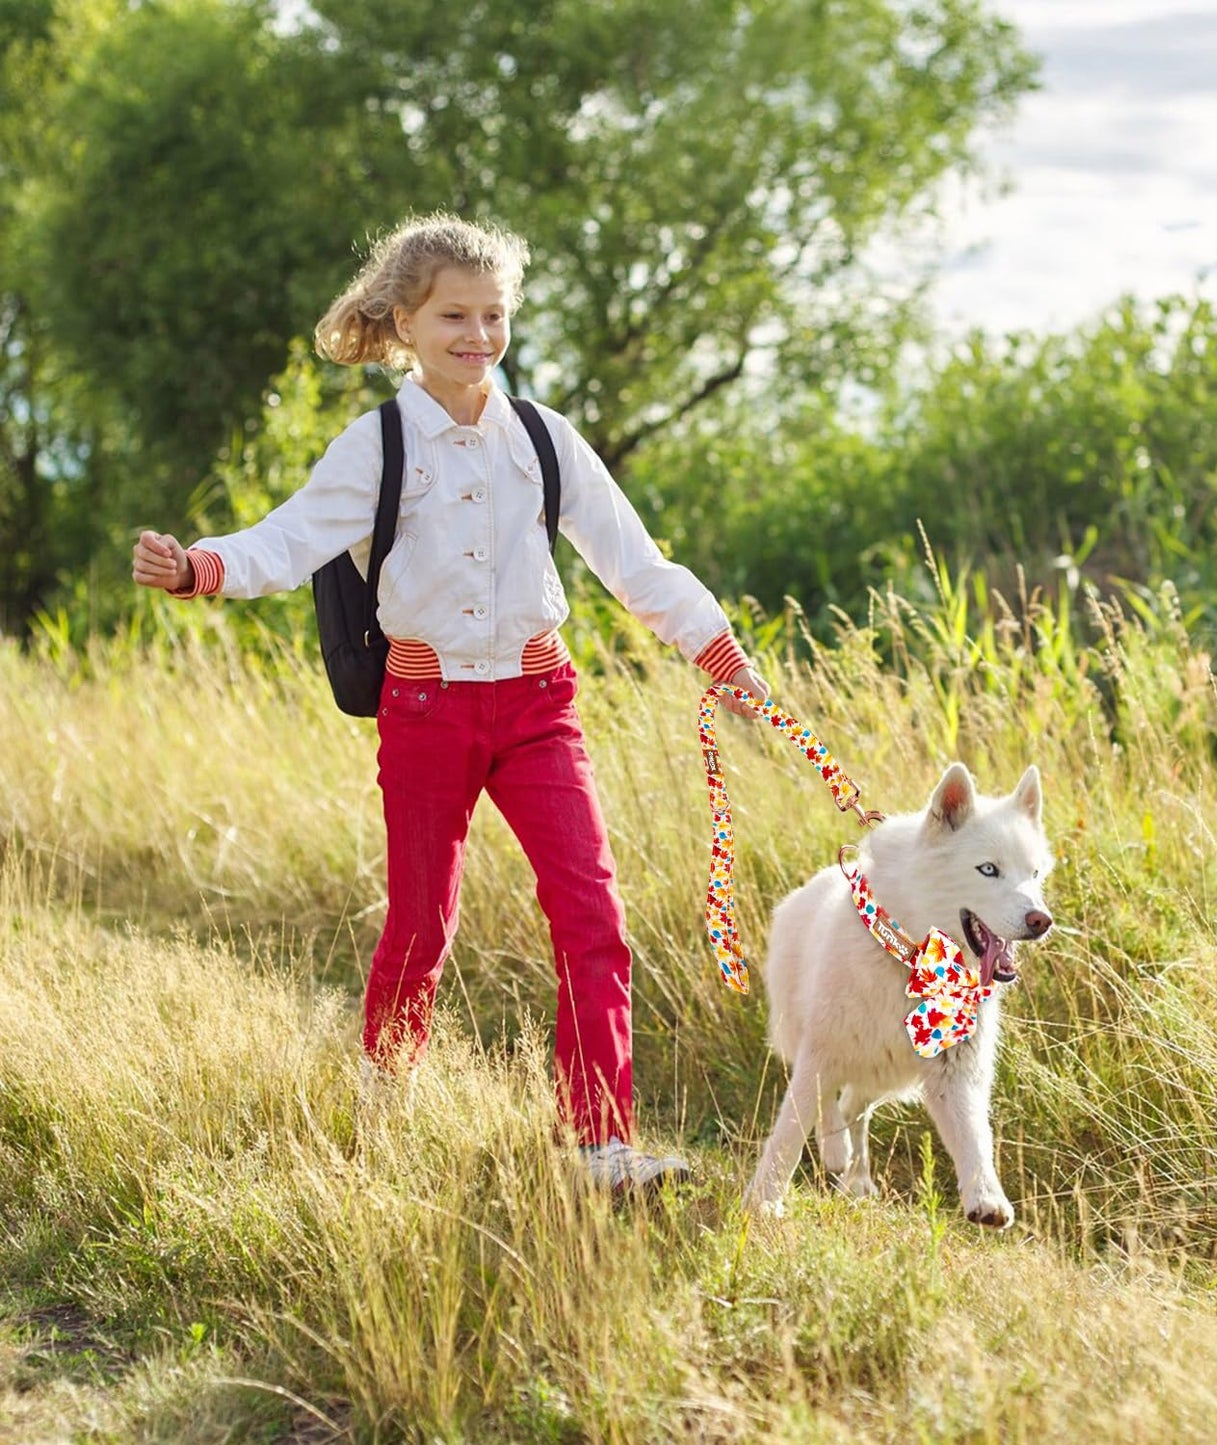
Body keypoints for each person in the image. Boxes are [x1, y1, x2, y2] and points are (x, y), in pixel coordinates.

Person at [132, 213, 768, 1189]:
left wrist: (719, 654)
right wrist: (197, 568)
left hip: (539, 705)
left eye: (494, 315)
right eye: (453, 317)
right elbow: (287, 539)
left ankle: (600, 1142)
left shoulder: (545, 441)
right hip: (425, 712)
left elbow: (635, 564)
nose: (478, 336)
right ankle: (385, 1102)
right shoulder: (377, 443)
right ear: (405, 321)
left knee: (592, 913)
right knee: (422, 923)